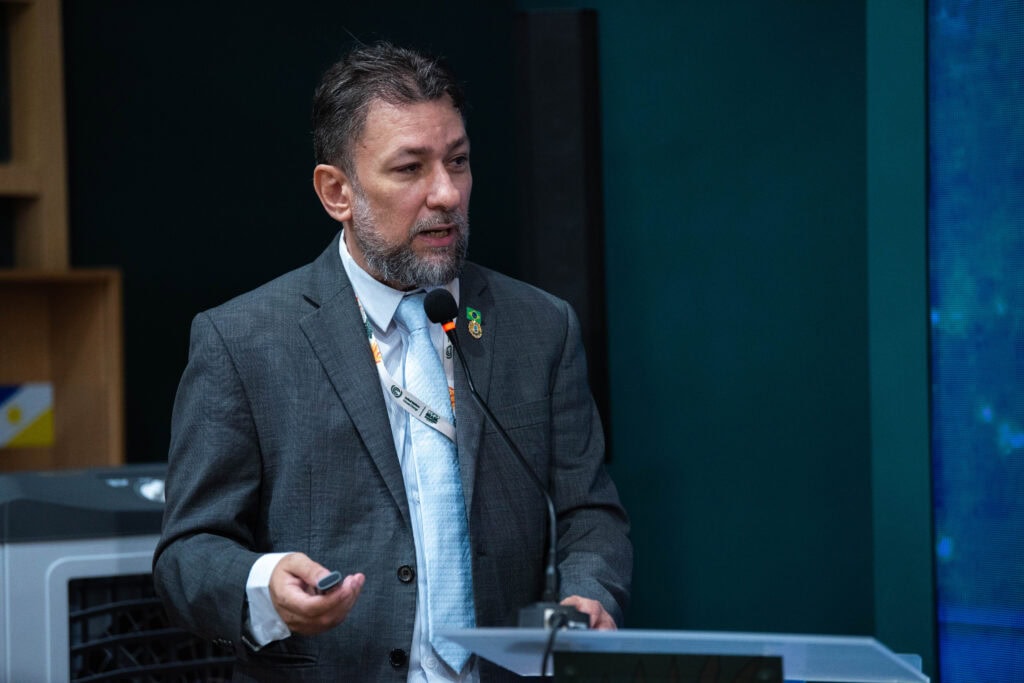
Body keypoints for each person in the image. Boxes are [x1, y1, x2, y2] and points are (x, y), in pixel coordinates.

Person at [152, 42, 632, 682]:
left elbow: (588, 513)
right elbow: (187, 554)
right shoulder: (243, 341)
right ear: (337, 192)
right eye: (410, 169)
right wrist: (263, 583)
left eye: (458, 162)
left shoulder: (539, 326)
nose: (446, 193)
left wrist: (589, 593)